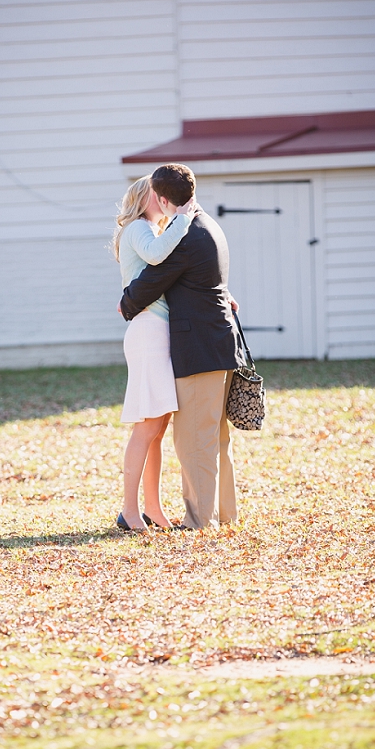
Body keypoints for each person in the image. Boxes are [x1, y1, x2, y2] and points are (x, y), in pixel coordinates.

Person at [119, 163, 246, 531]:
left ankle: (199, 521)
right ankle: (223, 515)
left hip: (199, 348)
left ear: (162, 198)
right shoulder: (209, 225)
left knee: (194, 439)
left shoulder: (187, 233)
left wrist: (127, 303)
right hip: (214, 343)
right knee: (213, 438)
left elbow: (153, 279)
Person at [112, 176, 197, 532]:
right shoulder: (138, 229)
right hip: (147, 334)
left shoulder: (154, 231)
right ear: (143, 198)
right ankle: (129, 511)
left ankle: (152, 509)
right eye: (156, 194)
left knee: (157, 428)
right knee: (146, 428)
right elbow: (157, 255)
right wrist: (184, 217)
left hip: (157, 333)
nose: (164, 199)